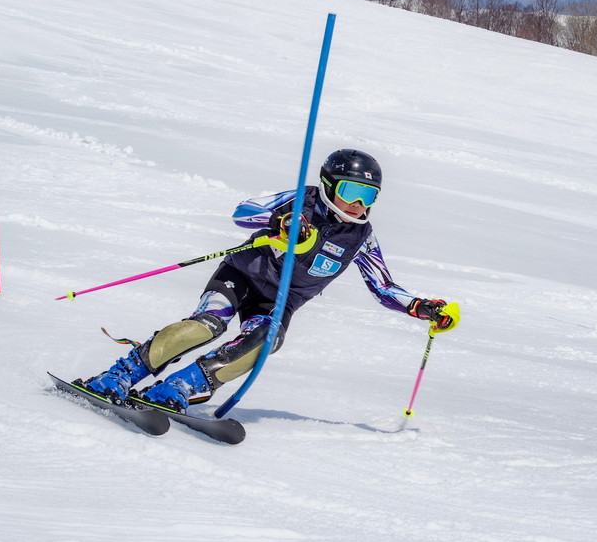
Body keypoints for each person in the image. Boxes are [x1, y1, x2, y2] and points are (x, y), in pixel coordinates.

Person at [78, 148, 459, 412]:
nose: (358, 204)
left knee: (265, 343)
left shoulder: (361, 236)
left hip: (278, 301)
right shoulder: (303, 201)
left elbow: (383, 285)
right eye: (351, 192)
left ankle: (179, 387)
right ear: (328, 187)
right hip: (243, 275)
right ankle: (120, 375)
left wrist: (419, 306)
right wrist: (279, 221)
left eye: (368, 195)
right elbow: (244, 212)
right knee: (206, 326)